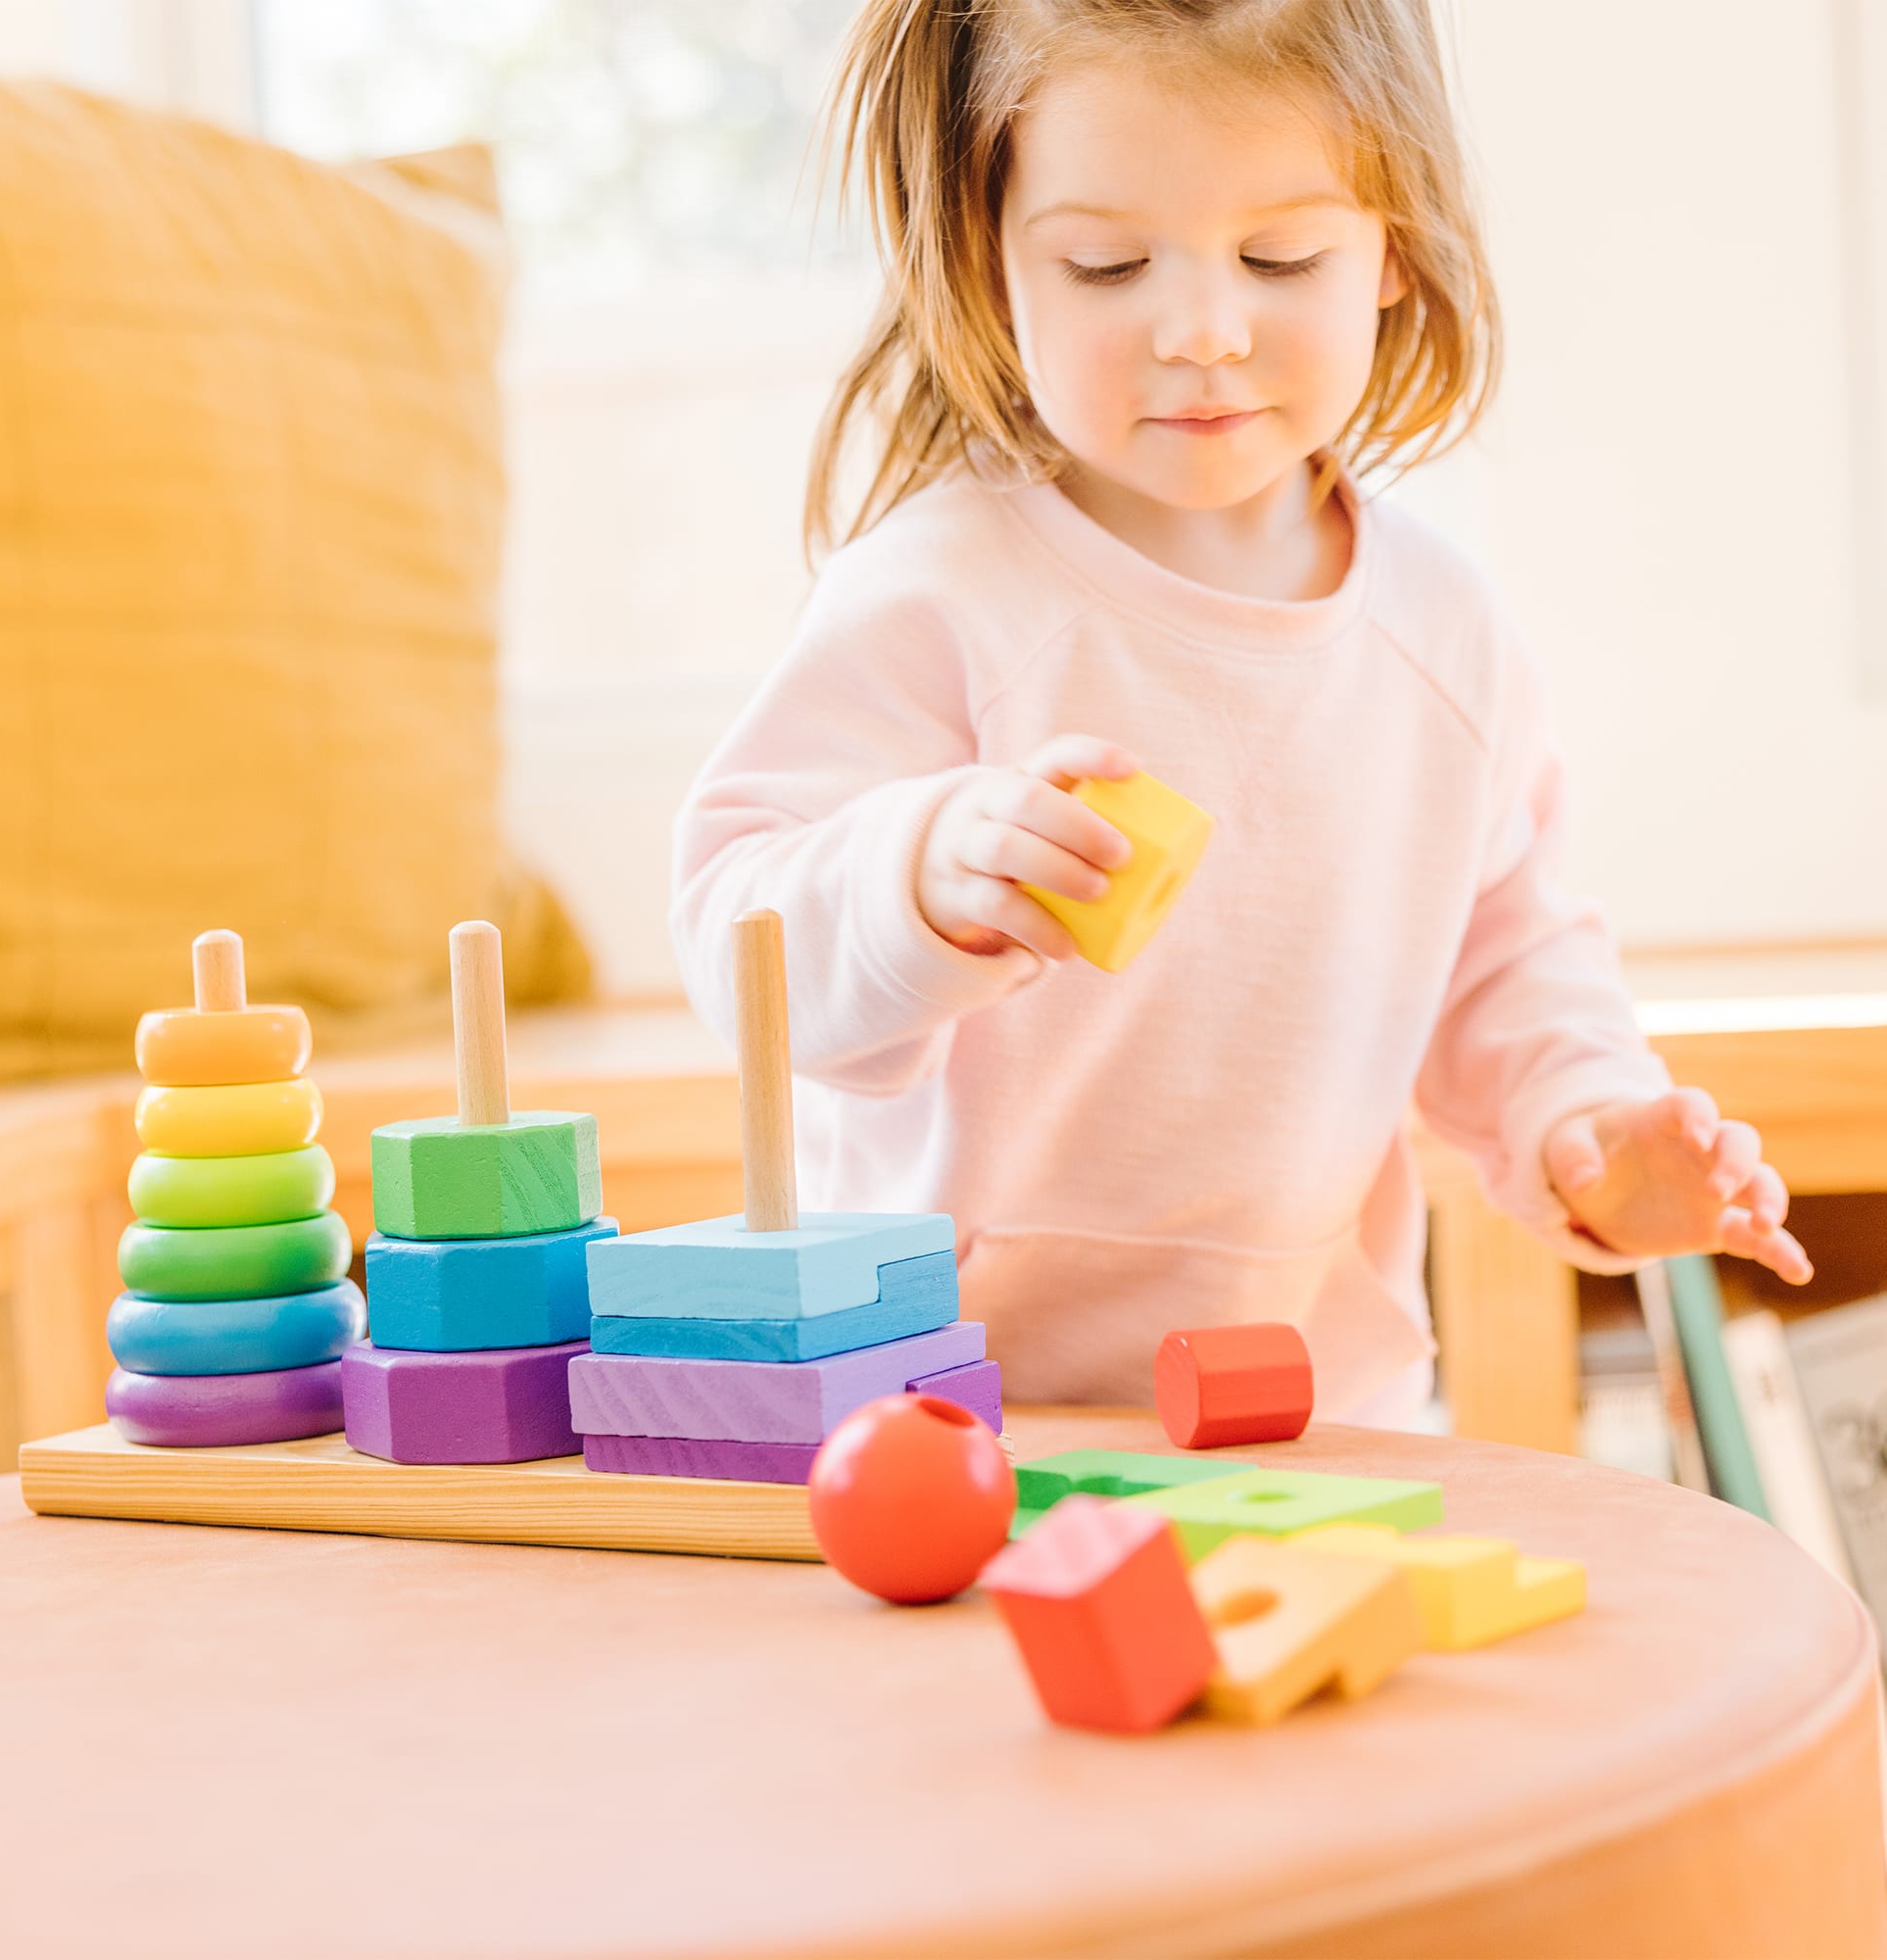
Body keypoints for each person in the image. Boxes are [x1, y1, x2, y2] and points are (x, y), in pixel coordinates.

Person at [670, 0, 1811, 1420]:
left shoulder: (1443, 631)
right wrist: (916, 875)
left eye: (1281, 256)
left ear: (1390, 248)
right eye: (1106, 264)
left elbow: (1508, 955)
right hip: (948, 1410)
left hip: (1316, 1413)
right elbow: (740, 934)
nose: (1202, 331)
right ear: (990, 257)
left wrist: (1592, 1129)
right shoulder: (937, 591)